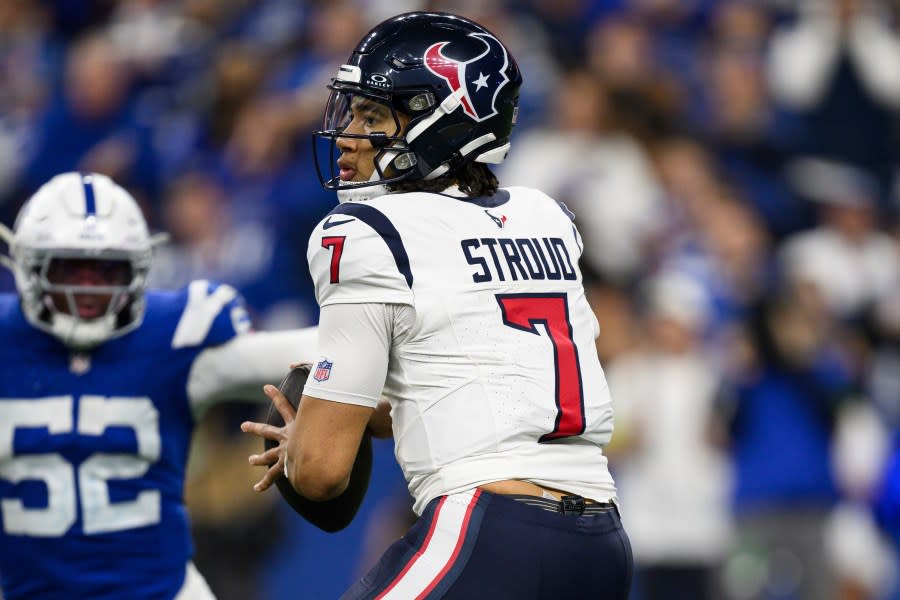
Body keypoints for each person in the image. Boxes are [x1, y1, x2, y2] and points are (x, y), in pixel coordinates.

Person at [241, 11, 632, 599]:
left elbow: (321, 474)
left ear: (442, 121)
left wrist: (302, 445)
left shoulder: (368, 230)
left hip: (489, 530)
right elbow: (484, 384)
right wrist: (372, 415)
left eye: (372, 115)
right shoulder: (544, 216)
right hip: (601, 541)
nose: (348, 134)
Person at [0, 172, 318, 599]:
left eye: (105, 270)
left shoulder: (172, 337)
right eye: (69, 267)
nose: (86, 290)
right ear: (29, 268)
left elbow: (311, 350)